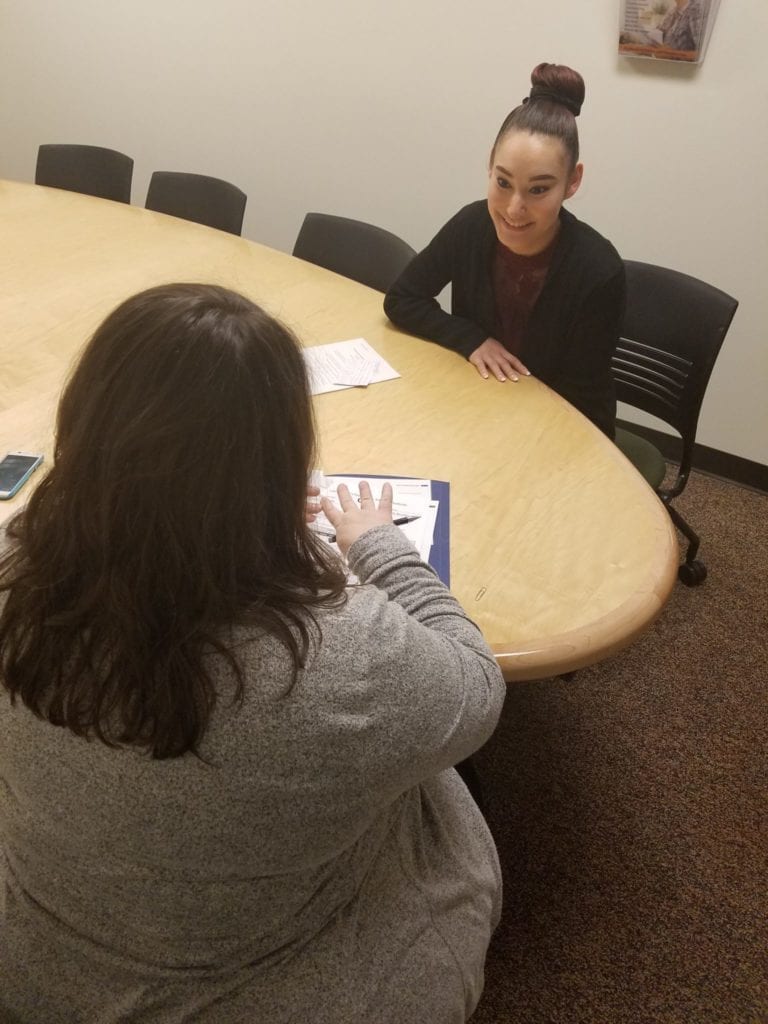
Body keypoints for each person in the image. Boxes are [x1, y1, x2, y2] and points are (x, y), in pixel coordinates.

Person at [0, 283, 505, 1023]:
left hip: (40, 957)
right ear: (281, 456)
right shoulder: (339, 655)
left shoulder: (16, 570)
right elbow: (477, 684)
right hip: (264, 980)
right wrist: (378, 548)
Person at [384, 62, 625, 439]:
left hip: (563, 431)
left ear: (572, 181)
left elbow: (580, 402)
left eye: (539, 189)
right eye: (503, 182)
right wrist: (471, 339)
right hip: (478, 405)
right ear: (490, 164)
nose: (514, 209)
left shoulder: (597, 270)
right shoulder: (471, 224)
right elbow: (401, 299)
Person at [620, 0, 705, 52]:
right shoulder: (672, 13)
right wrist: (633, 38)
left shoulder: (695, 10)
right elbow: (655, 37)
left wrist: (671, 53)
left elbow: (698, 53)